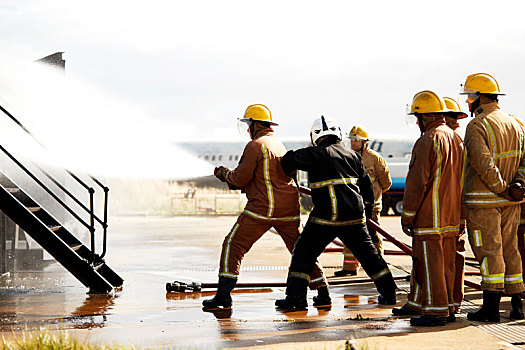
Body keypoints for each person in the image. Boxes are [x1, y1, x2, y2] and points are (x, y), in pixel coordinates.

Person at [202, 104, 328, 310]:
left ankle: (223, 296)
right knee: (301, 251)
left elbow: (240, 178)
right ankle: (323, 292)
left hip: (262, 208)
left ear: (255, 125)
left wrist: (223, 173)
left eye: (248, 124)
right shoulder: (278, 144)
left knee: (233, 245)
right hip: (289, 210)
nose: (248, 129)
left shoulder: (255, 145)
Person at [275, 115, 397, 310]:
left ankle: (296, 299)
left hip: (326, 217)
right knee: (370, 256)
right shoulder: (354, 156)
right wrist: (365, 215)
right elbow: (367, 190)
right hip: (355, 218)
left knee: (303, 253)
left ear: (316, 136)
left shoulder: (315, 153)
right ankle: (389, 294)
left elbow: (288, 160)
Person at [392, 90, 465, 327]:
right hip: (452, 215)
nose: (416, 122)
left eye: (418, 117)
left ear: (425, 117)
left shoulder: (428, 140)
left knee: (430, 265)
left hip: (430, 217)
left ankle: (435, 312)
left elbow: (416, 183)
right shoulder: (455, 138)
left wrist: (408, 216)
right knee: (447, 264)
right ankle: (448, 306)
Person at [460, 73, 525, 322]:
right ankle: (516, 305)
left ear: (479, 97)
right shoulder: (515, 124)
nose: (467, 102)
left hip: (485, 201)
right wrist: (517, 184)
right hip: (511, 201)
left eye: (469, 96)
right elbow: (524, 161)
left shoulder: (477, 125)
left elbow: (482, 163)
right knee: (511, 250)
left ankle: (490, 309)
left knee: (489, 252)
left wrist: (501, 188)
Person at [334, 126, 392, 277]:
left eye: (356, 140)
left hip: (371, 207)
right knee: (349, 235)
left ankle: (379, 267)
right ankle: (350, 268)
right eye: (351, 140)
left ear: (364, 142)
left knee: (373, 236)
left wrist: (375, 196)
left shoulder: (374, 159)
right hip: (353, 205)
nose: (353, 143)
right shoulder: (347, 157)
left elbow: (386, 182)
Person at [443, 97, 468, 314]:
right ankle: (453, 302)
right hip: (456, 211)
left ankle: (450, 302)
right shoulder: (457, 142)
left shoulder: (451, 142)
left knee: (449, 257)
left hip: (450, 212)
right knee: (454, 256)